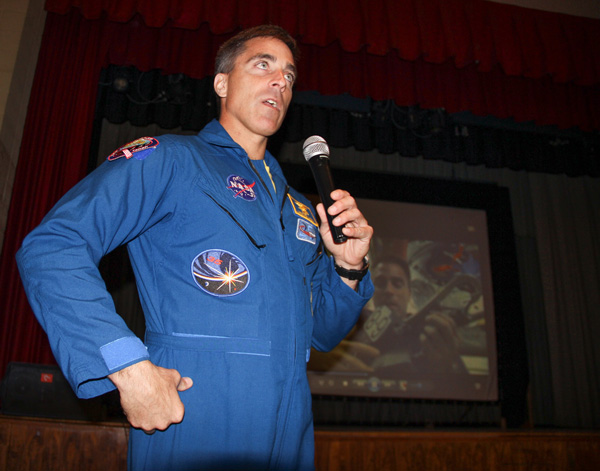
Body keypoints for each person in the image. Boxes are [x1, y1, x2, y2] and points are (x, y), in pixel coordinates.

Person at [16, 25, 374, 471]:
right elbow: (53, 245)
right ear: (222, 83)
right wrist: (127, 366)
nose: (280, 81)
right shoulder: (169, 159)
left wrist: (348, 269)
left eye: (289, 75)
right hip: (193, 412)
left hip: (291, 429)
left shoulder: (300, 208)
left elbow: (322, 332)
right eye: (263, 65)